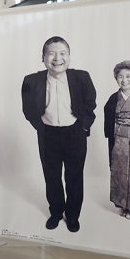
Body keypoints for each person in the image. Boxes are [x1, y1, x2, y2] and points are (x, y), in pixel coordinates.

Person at [21, 36, 96, 233]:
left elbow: (90, 104)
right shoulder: (31, 81)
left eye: (63, 53)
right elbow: (28, 110)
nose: (57, 58)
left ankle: (72, 216)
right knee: (51, 176)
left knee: (74, 177)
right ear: (43, 57)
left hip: (75, 133)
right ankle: (55, 212)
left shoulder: (82, 77)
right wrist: (41, 128)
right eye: (51, 54)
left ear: (69, 57)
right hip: (48, 135)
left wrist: (83, 127)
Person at [104, 60, 130, 220]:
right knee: (120, 172)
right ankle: (124, 204)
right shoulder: (113, 98)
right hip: (118, 140)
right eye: (120, 76)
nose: (124, 80)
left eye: (128, 76)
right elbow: (109, 118)